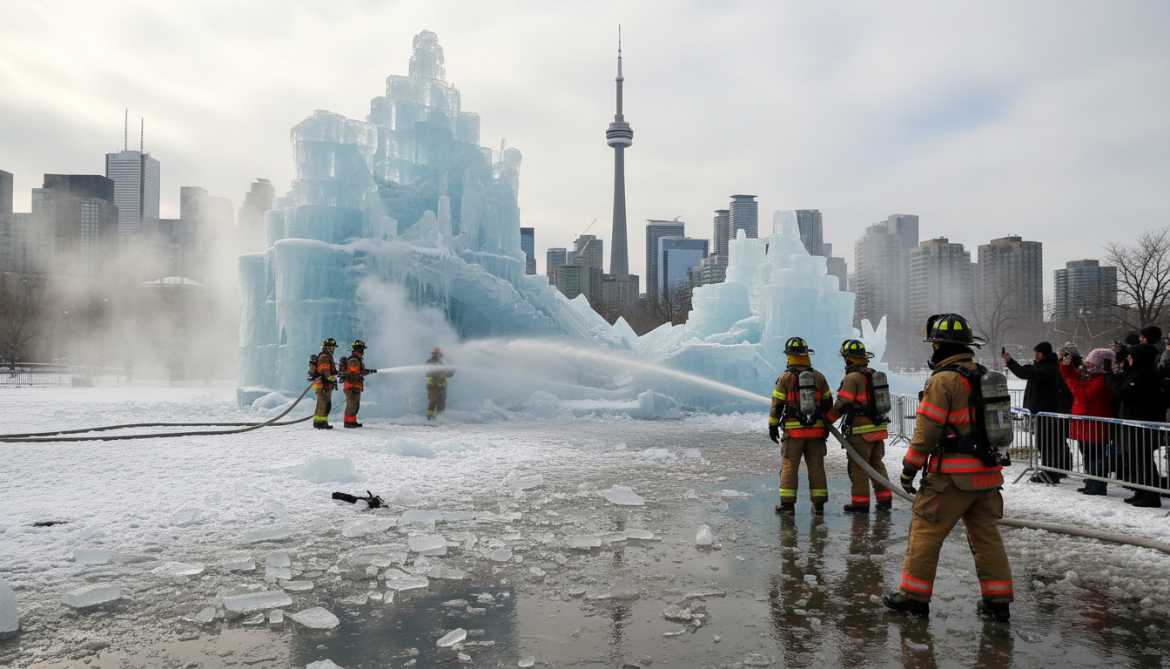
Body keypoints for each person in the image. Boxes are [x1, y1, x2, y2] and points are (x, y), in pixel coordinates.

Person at [884, 313, 1012, 622]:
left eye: (934, 346)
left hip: (952, 478)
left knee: (925, 532)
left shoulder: (943, 380)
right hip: (988, 476)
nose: (932, 352)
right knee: (987, 537)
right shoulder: (983, 375)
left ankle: (913, 597)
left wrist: (909, 468)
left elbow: (927, 432)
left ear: (940, 347)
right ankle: (997, 602)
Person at [826, 339, 894, 513]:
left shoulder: (853, 377)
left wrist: (828, 420)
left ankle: (860, 504)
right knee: (876, 464)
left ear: (848, 359)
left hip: (860, 432)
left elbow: (843, 403)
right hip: (878, 429)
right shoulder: (872, 374)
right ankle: (885, 500)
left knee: (859, 467)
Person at [768, 337, 834, 516]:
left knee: (790, 466)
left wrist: (772, 426)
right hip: (817, 431)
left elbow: (777, 405)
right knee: (816, 467)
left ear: (789, 356)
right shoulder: (819, 377)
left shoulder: (784, 378)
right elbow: (829, 403)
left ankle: (787, 507)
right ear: (806, 355)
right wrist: (826, 425)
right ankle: (819, 507)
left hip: (793, 433)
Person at [1103, 343, 1164, 508]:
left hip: (1142, 423)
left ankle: (1151, 495)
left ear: (1140, 357)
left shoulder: (1145, 374)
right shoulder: (1137, 372)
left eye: (1131, 355)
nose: (1128, 358)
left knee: (1143, 460)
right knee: (1136, 459)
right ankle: (1142, 491)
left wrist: (1108, 377)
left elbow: (1123, 392)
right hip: (1134, 421)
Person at [1002, 342, 1073, 482]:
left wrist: (1010, 363)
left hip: (1047, 411)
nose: (1036, 354)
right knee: (1046, 443)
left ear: (1045, 353)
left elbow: (1025, 373)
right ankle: (1055, 471)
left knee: (1047, 444)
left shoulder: (1049, 368)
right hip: (1041, 411)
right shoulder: (1040, 366)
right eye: (1035, 351)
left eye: (1038, 352)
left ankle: (1051, 473)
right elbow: (1025, 370)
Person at [1060, 348, 1115, 495]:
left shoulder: (1102, 380)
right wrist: (1066, 366)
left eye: (1090, 365)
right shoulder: (1090, 377)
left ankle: (1098, 484)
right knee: (1088, 454)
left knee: (1096, 456)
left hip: (1095, 425)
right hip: (1086, 423)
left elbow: (1084, 394)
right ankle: (1091, 482)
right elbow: (1073, 375)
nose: (1086, 368)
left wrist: (1071, 380)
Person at [342, 340, 377, 428]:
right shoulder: (354, 360)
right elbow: (354, 374)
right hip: (352, 386)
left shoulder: (357, 360)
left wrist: (370, 371)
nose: (362, 352)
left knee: (355, 404)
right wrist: (359, 377)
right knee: (352, 404)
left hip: (355, 385)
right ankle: (348, 422)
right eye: (360, 350)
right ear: (356, 350)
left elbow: (360, 372)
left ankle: (352, 421)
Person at [313, 338, 339, 430]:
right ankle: (321, 423)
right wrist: (332, 378)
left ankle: (318, 422)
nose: (332, 350)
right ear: (326, 347)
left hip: (321, 384)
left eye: (333, 348)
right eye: (331, 347)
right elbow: (325, 371)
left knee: (321, 403)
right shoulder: (325, 357)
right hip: (323, 385)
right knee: (325, 404)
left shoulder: (326, 356)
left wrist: (337, 374)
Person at [425, 347, 455, 420]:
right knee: (433, 401)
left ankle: (439, 418)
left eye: (439, 354)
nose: (438, 355)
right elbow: (430, 372)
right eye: (436, 353)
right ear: (434, 354)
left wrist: (453, 370)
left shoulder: (442, 364)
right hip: (433, 386)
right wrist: (436, 377)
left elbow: (448, 374)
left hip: (442, 387)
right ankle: (429, 417)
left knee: (441, 403)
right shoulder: (430, 362)